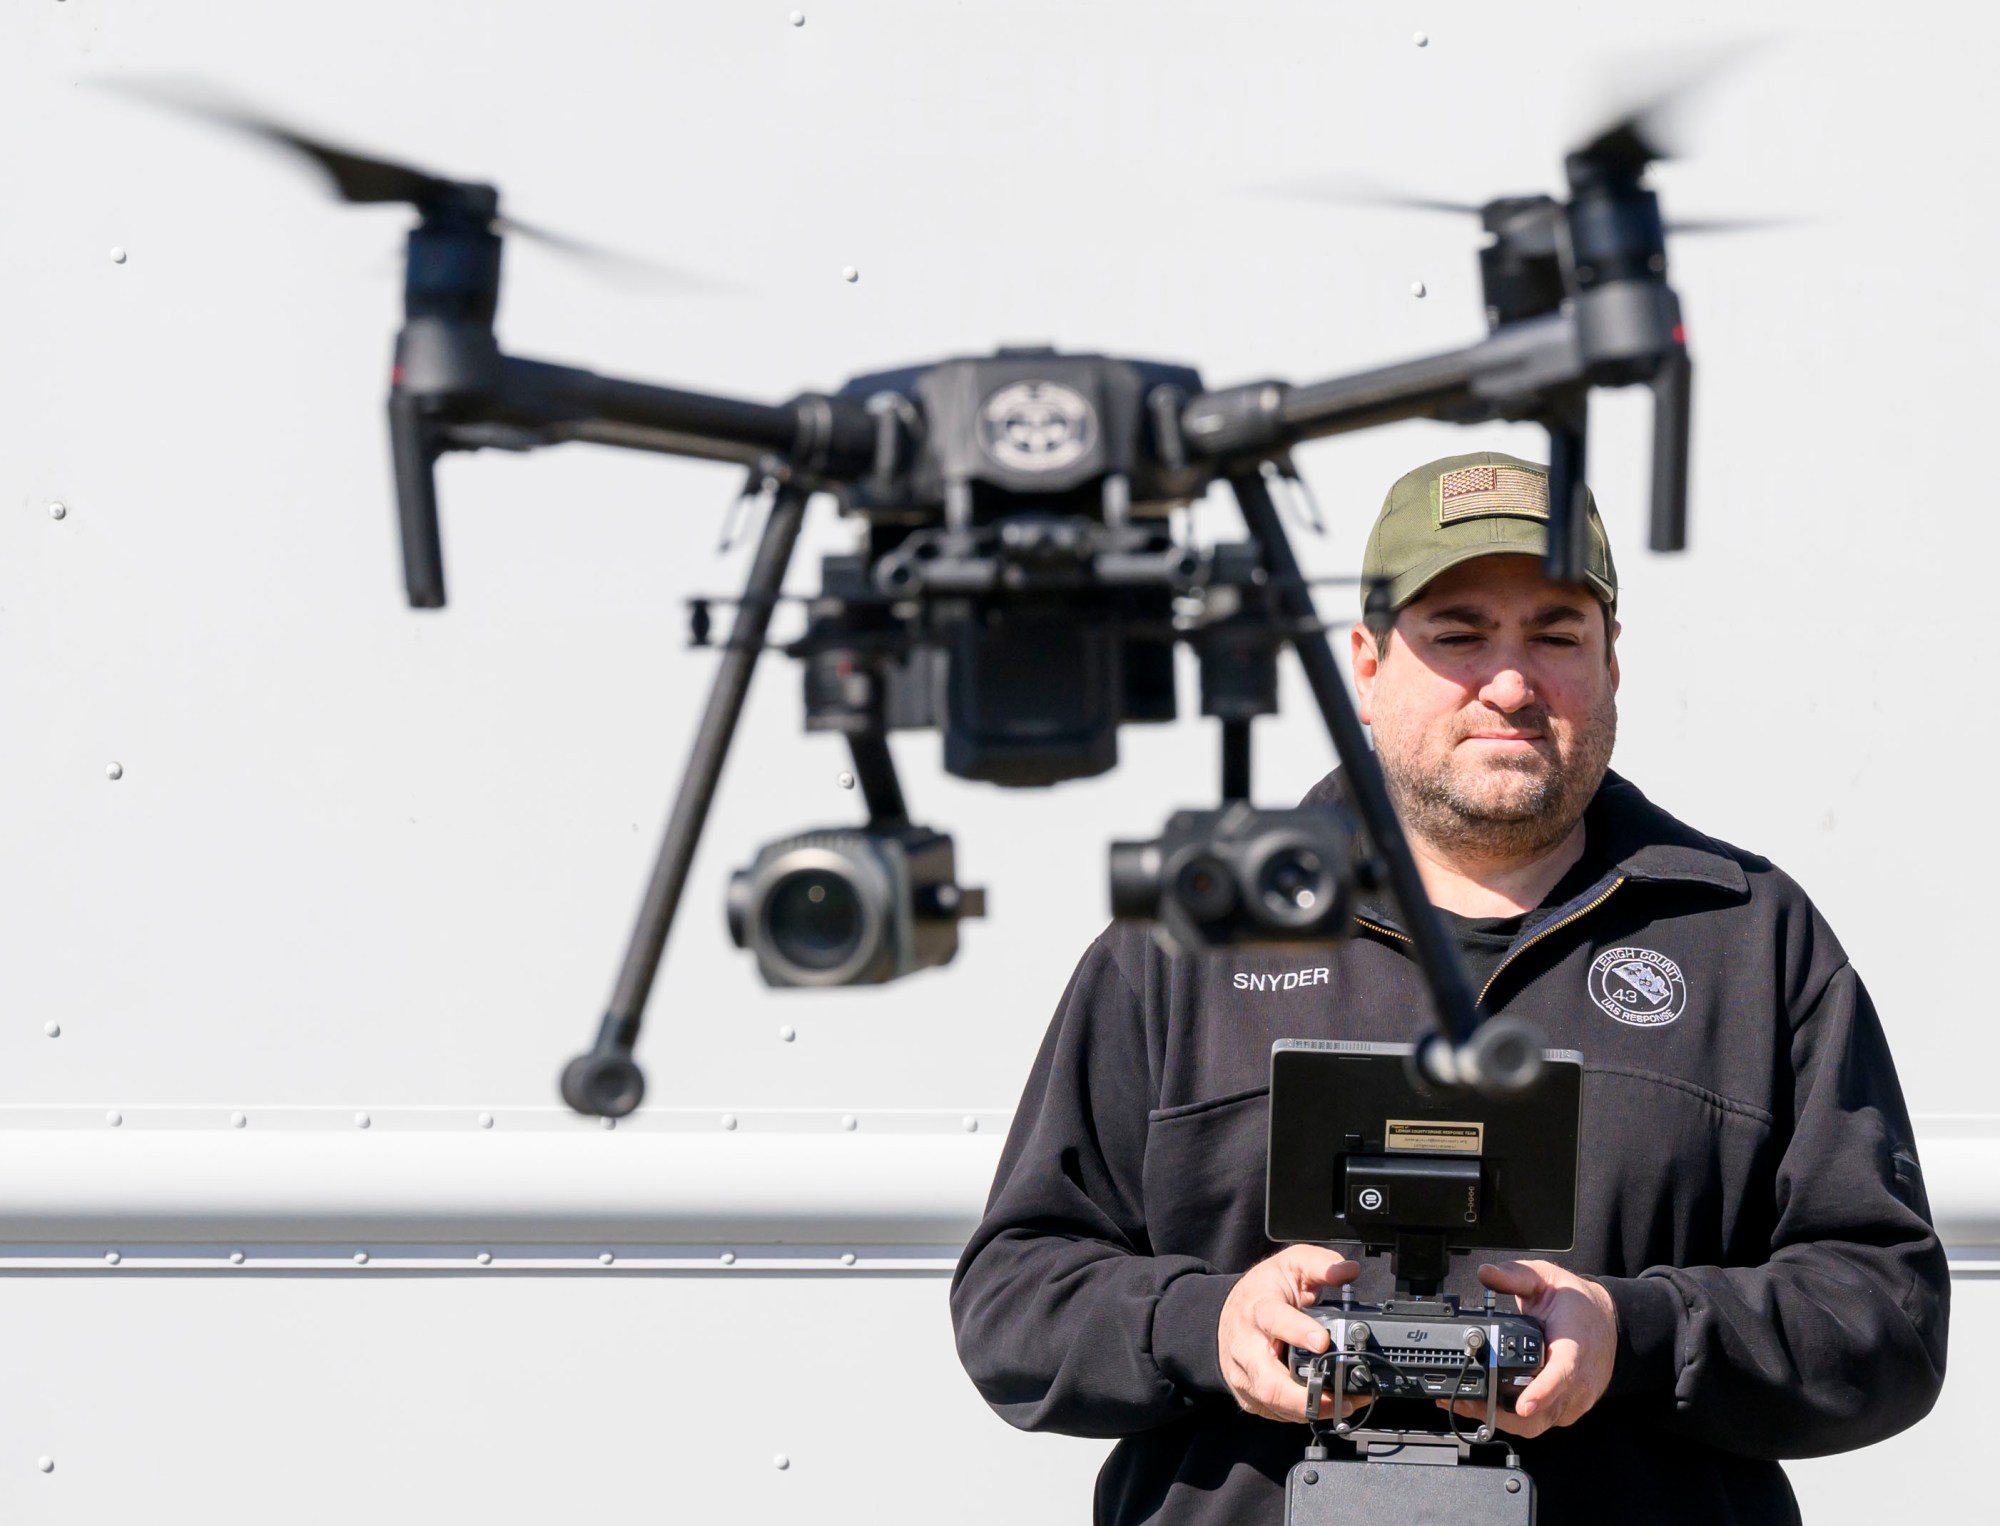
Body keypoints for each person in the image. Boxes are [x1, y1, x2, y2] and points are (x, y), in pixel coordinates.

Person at [949, 450, 1950, 1525]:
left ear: (1611, 659)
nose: (1510, 682)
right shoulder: (1192, 938)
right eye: (1458, 633)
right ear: (1365, 664)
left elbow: (1883, 1312)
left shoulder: (1744, 935)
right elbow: (1013, 1296)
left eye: (1555, 634)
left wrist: (1634, 1333)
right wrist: (1206, 1324)